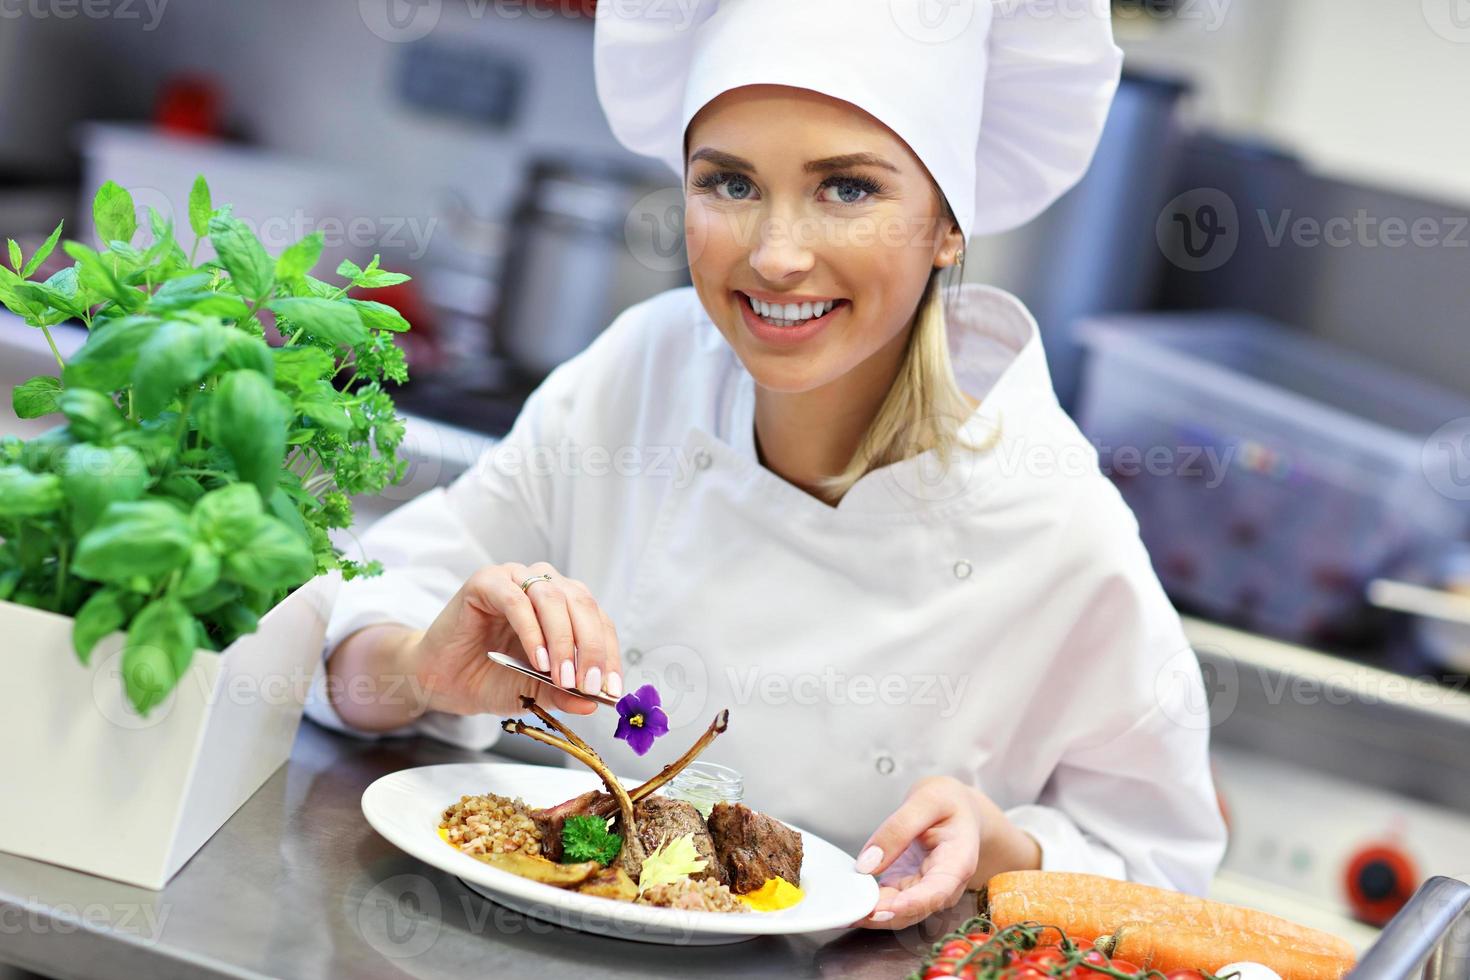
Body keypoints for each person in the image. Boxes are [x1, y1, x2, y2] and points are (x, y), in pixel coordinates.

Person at [305, 0, 1227, 929]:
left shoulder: (1057, 521)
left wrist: (1006, 850)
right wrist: (418, 668)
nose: (777, 256)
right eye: (731, 184)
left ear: (949, 226)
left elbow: (1159, 886)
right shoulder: (643, 374)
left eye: (848, 189)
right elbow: (352, 627)